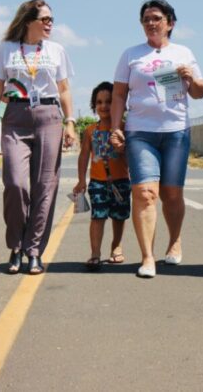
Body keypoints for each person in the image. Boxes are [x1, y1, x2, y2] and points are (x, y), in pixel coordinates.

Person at [109, 0, 203, 278]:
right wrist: (117, 126)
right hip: (140, 132)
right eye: (146, 19)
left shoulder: (183, 53)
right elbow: (119, 94)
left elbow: (199, 92)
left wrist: (191, 79)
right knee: (144, 193)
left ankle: (174, 241)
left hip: (176, 131)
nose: (151, 23)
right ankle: (147, 257)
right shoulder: (131, 55)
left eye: (156, 19)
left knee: (171, 194)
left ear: (170, 23)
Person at [0, 0, 77, 275]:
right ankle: (15, 245)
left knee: (45, 186)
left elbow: (64, 88)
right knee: (15, 183)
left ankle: (33, 250)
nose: (50, 24)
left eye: (51, 20)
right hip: (15, 116)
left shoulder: (56, 50)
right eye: (45, 19)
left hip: (49, 116)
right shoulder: (7, 49)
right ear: (28, 21)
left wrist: (70, 123)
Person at [73, 81, 130, 271]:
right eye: (99, 102)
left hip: (120, 182)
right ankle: (95, 253)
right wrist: (82, 179)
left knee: (118, 216)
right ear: (94, 105)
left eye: (109, 101)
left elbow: (130, 158)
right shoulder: (90, 131)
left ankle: (116, 246)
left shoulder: (124, 128)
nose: (103, 106)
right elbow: (83, 156)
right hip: (97, 183)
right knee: (97, 217)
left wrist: (122, 149)